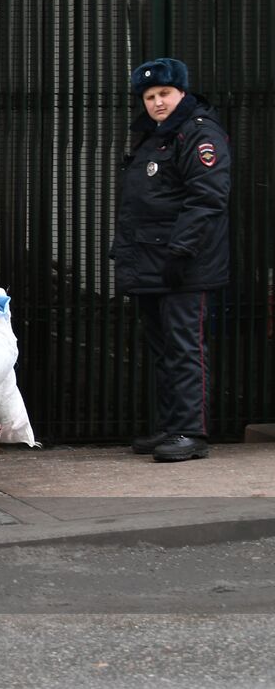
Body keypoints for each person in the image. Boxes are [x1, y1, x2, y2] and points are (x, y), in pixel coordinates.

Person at [112, 58, 230, 463]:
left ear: (181, 93)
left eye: (164, 93)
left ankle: (190, 432)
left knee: (184, 348)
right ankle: (171, 425)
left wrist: (181, 251)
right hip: (151, 261)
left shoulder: (197, 135)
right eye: (149, 96)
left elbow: (207, 198)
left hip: (184, 264)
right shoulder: (154, 137)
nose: (157, 102)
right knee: (163, 350)